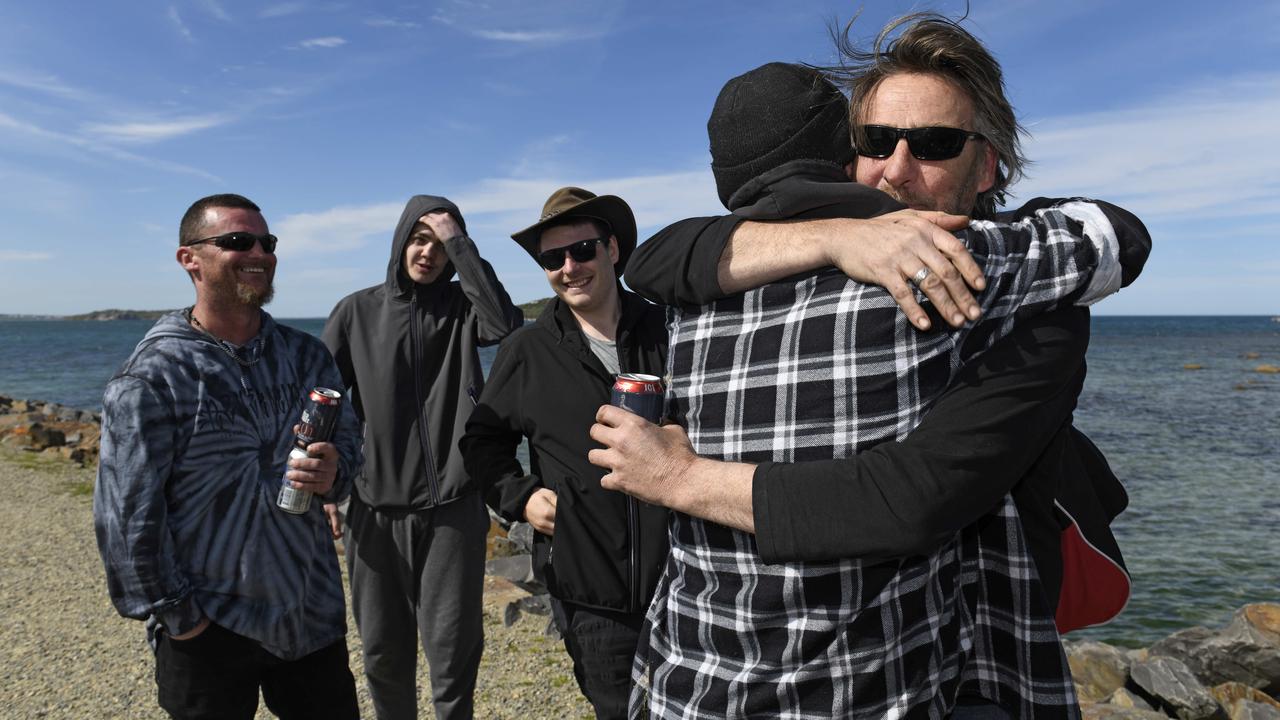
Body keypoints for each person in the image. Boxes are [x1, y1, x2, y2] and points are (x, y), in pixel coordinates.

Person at [589, 54, 1145, 717]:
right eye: (874, 142)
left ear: (987, 166)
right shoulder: (731, 277)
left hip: (985, 666)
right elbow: (659, 258)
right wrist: (836, 237)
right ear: (842, 156)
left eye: (935, 144)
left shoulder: (1023, 303)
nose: (897, 168)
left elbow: (908, 500)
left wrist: (681, 479)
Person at [93, 193, 363, 719]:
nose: (258, 252)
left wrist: (336, 472)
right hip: (208, 628)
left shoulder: (305, 356)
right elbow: (125, 521)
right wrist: (184, 622)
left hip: (308, 616)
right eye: (237, 241)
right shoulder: (155, 376)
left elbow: (350, 450)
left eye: (267, 242)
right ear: (188, 258)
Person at [459, 187, 670, 719]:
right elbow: (482, 442)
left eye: (583, 251)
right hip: (590, 594)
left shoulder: (671, 329)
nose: (569, 267)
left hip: (688, 579)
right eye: (553, 259)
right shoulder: (527, 351)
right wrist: (522, 499)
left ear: (613, 250)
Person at [321, 195, 523, 719]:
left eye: (440, 244)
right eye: (420, 238)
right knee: (384, 655)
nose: (429, 253)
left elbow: (504, 326)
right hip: (372, 507)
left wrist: (460, 242)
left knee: (453, 656)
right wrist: (328, 485)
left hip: (453, 509)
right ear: (400, 241)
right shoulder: (355, 312)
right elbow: (320, 403)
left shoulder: (463, 312)